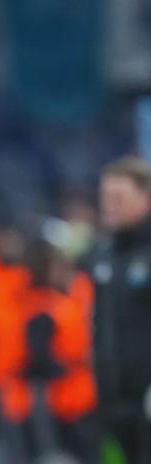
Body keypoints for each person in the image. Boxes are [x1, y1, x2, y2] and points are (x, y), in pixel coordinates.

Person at [91, 155, 151, 463]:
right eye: (105, 197)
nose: (109, 205)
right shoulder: (104, 254)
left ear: (146, 197)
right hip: (113, 401)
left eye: (119, 197)